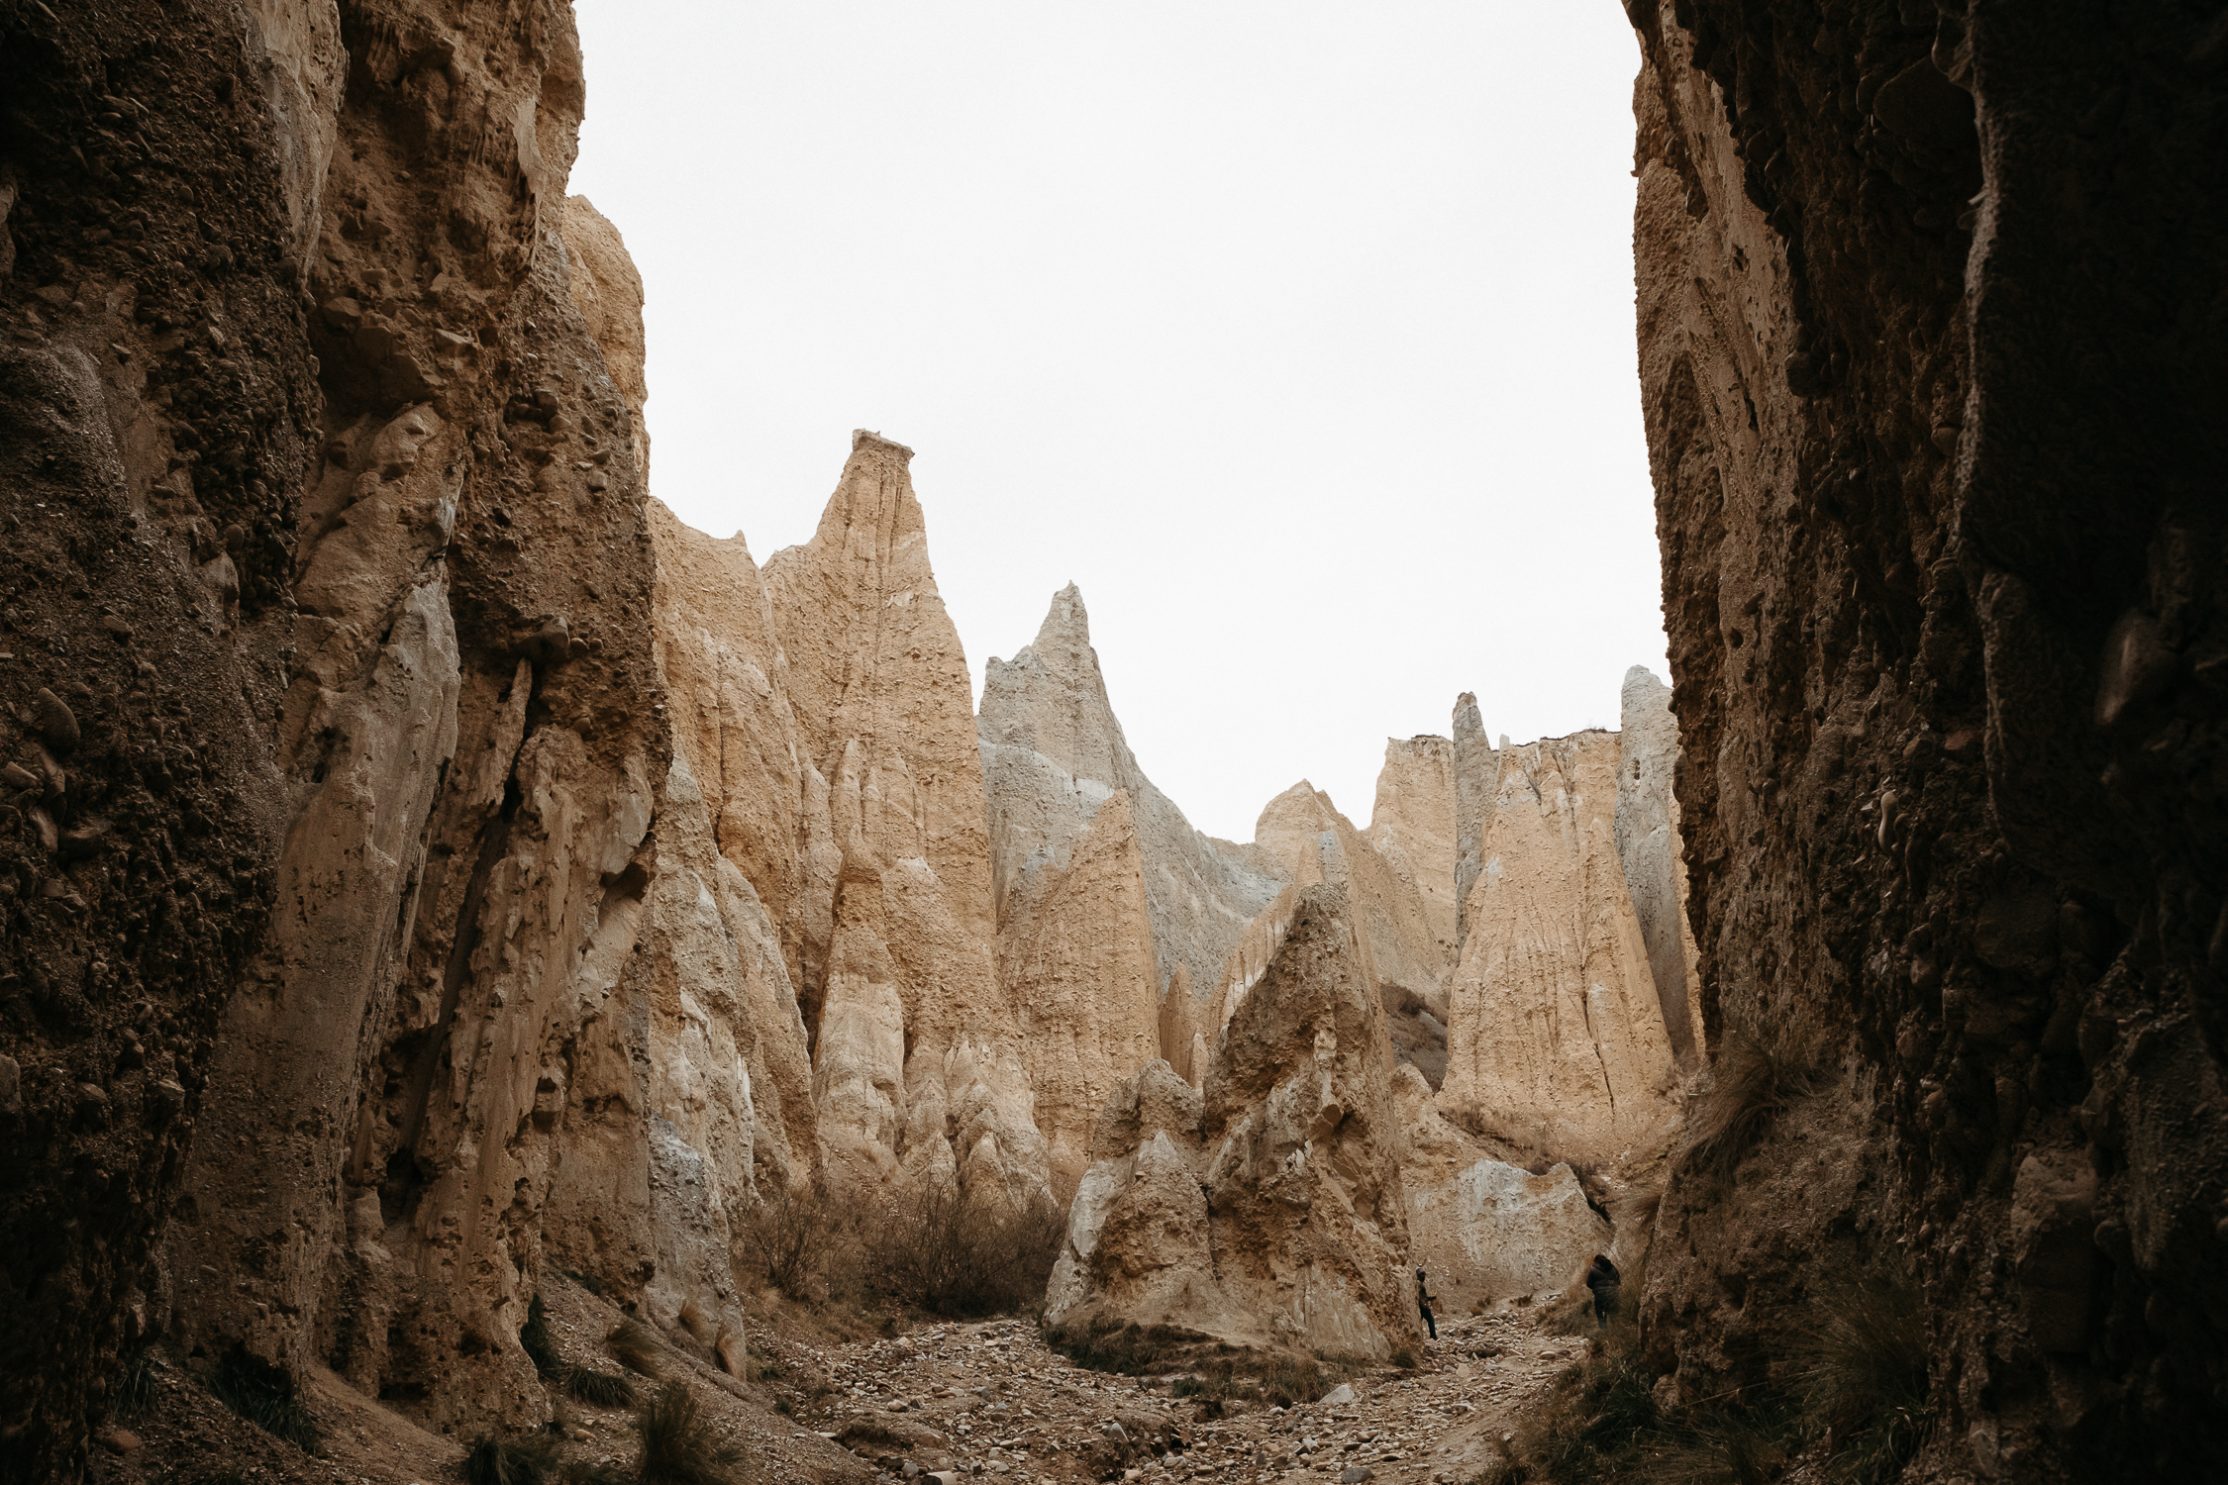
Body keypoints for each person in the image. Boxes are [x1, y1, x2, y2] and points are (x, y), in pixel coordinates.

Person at [1585, 1253, 1622, 1328]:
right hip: (1613, 1293)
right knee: (1613, 1312)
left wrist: (1596, 1288)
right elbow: (1618, 1280)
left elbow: (1588, 1284)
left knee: (1599, 1312)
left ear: (1596, 1261)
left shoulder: (1593, 1269)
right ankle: (1616, 1329)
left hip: (1600, 1295)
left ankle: (1603, 1329)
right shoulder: (1613, 1268)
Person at [1415, 1267, 1437, 1340]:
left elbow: (1423, 1297)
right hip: (1423, 1306)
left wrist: (1431, 1298)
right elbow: (1420, 1297)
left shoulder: (1419, 1283)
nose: (1424, 1276)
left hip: (1421, 1306)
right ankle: (1433, 1336)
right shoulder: (1419, 1284)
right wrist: (1424, 1304)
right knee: (1431, 1320)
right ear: (1418, 1275)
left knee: (1419, 1322)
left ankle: (1419, 1338)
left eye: (1424, 1274)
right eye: (1422, 1274)